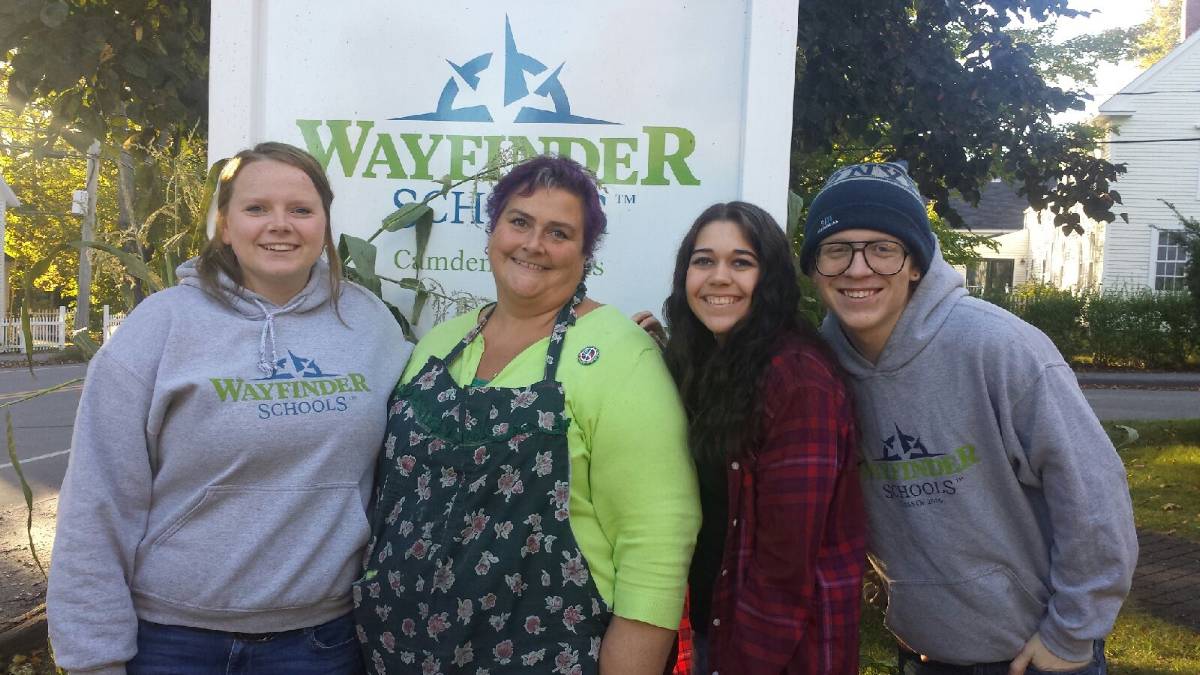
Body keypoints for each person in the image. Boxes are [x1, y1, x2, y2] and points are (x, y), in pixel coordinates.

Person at [47, 142, 411, 674]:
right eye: (257, 208)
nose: (280, 225)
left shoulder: (369, 325)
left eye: (301, 209)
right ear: (224, 224)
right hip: (173, 643)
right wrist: (93, 659)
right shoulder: (160, 327)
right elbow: (98, 501)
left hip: (320, 643)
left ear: (324, 224)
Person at [353, 155, 701, 674]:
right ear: (492, 232)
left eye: (559, 233)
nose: (534, 244)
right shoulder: (441, 342)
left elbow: (657, 538)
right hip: (394, 652)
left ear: (586, 254)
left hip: (543, 654)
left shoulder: (620, 353)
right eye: (519, 222)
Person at [799, 161, 1138, 675]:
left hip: (1034, 655)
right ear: (814, 268)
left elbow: (1094, 495)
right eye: (836, 249)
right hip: (922, 649)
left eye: (883, 249)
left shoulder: (1000, 348)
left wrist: (1071, 634)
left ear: (916, 264)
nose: (858, 269)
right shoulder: (818, 369)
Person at [651, 202, 866, 675]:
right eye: (704, 261)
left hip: (774, 650)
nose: (719, 277)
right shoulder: (711, 365)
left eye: (741, 262)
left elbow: (783, 569)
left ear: (770, 279)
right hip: (711, 631)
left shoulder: (797, 380)